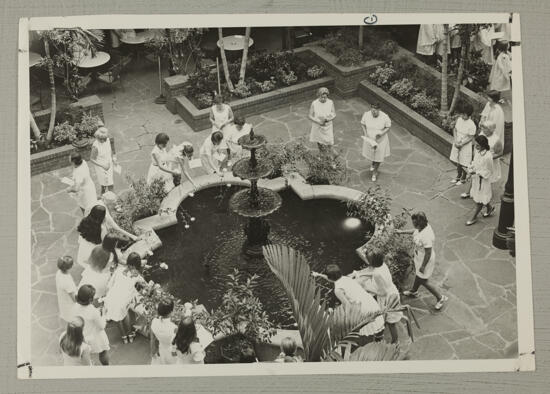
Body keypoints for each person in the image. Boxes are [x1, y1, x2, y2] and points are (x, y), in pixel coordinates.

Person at [312, 265, 385, 344]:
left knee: (369, 326)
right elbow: (330, 278)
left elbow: (348, 306)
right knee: (377, 323)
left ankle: (373, 343)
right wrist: (318, 275)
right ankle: (379, 338)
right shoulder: (346, 278)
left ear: (330, 278)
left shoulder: (338, 290)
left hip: (362, 308)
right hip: (368, 301)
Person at [399, 212, 448, 310]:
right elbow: (415, 231)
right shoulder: (422, 227)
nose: (413, 225)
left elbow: (428, 253)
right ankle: (414, 291)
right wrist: (401, 232)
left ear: (419, 223)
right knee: (419, 276)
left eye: (414, 223)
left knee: (424, 281)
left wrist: (423, 266)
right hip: (419, 257)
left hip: (425, 260)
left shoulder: (426, 236)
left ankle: (440, 297)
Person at [351, 250, 403, 344]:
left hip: (387, 299)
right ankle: (381, 336)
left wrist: (367, 288)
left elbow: (383, 293)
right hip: (392, 291)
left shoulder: (377, 274)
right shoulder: (382, 265)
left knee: (391, 323)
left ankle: (395, 341)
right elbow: (375, 272)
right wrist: (360, 273)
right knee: (385, 319)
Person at [103, 252, 144, 344]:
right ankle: (130, 335)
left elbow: (110, 285)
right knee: (124, 315)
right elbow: (145, 285)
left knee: (117, 318)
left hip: (111, 298)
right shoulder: (136, 275)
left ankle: (124, 337)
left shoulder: (119, 270)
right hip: (122, 301)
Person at [72, 284, 110, 365]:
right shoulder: (93, 312)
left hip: (83, 336)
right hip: (96, 337)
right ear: (90, 299)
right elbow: (102, 326)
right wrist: (103, 314)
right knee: (103, 351)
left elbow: (83, 314)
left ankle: (89, 364)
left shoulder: (75, 306)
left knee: (86, 353)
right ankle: (106, 367)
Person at [465, 135, 495, 226]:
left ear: (483, 145)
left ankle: (473, 217)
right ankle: (489, 208)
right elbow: (474, 163)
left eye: (477, 145)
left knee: (479, 201)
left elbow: (490, 171)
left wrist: (477, 173)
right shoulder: (478, 152)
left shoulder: (488, 156)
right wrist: (469, 171)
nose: (475, 146)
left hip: (483, 180)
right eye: (475, 144)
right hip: (476, 179)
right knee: (481, 196)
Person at [360, 103, 391, 182]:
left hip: (381, 140)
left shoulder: (384, 117)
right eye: (372, 110)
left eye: (375, 111)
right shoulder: (366, 114)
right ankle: (373, 163)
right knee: (372, 154)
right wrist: (365, 133)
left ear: (379, 110)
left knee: (378, 157)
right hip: (370, 139)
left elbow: (388, 127)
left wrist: (381, 134)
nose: (373, 112)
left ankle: (375, 172)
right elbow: (362, 124)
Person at [449, 103, 477, 185]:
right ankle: (458, 176)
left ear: (468, 115)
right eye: (461, 114)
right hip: (457, 141)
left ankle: (463, 178)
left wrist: (462, 144)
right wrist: (455, 140)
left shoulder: (472, 124)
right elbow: (455, 129)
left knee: (464, 162)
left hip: (465, 144)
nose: (462, 116)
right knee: (458, 160)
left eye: (464, 114)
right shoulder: (459, 119)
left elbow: (471, 137)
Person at [89, 127, 117, 194]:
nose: (103, 140)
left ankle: (104, 196)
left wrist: (113, 158)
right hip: (101, 168)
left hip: (109, 165)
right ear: (97, 137)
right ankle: (113, 199)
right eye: (101, 139)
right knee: (109, 185)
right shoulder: (95, 147)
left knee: (106, 184)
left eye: (104, 139)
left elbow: (110, 150)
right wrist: (102, 165)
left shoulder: (107, 140)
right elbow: (91, 159)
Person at [308, 87, 336, 153]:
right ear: (318, 95)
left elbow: (334, 114)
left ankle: (332, 156)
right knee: (319, 142)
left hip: (328, 126)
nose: (323, 99)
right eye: (322, 97)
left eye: (325, 97)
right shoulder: (314, 103)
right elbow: (310, 115)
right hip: (318, 126)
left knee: (330, 143)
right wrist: (318, 121)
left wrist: (329, 118)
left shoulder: (330, 102)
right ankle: (321, 154)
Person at [150, 299, 178, 365]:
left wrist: (152, 352)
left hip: (161, 348)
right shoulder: (174, 327)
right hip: (171, 351)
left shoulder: (154, 322)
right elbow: (176, 343)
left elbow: (152, 339)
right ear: (171, 312)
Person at [56, 256, 77, 323]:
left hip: (63, 298)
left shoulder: (58, 273)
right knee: (72, 318)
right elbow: (74, 299)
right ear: (70, 267)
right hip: (69, 302)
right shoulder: (67, 282)